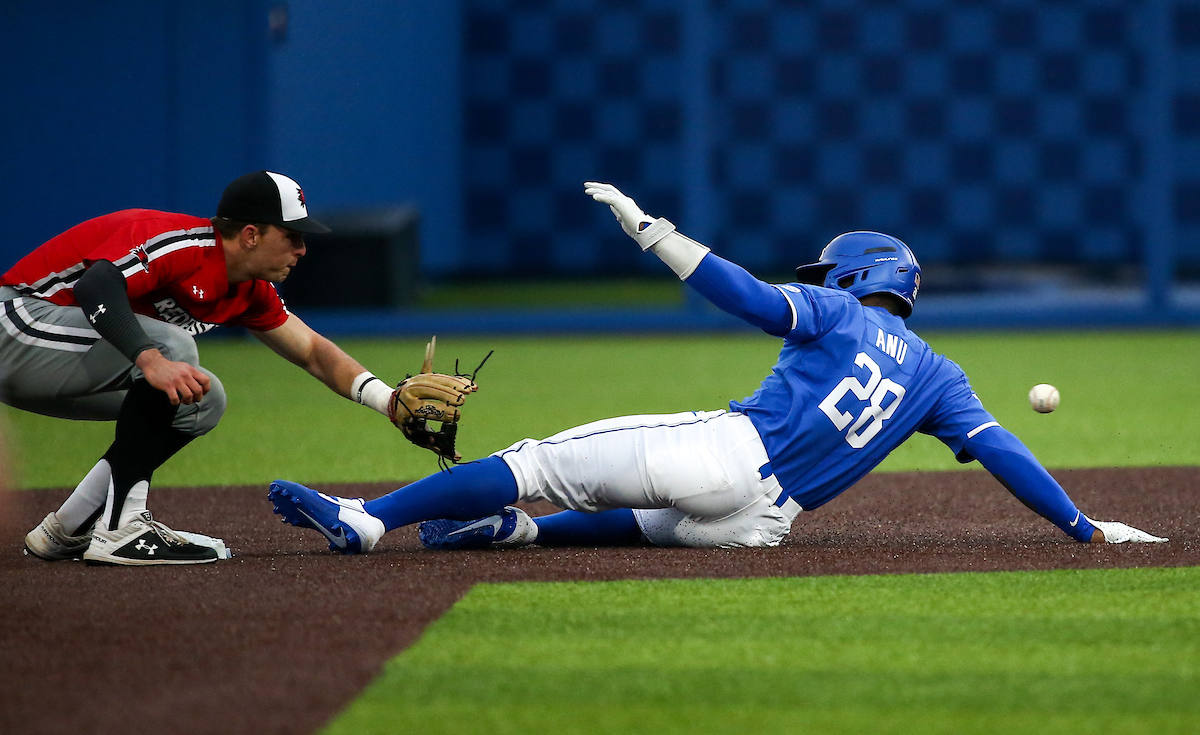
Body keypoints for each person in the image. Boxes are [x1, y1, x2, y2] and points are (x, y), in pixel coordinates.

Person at [267, 181, 1167, 554]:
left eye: (831, 273)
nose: (822, 281)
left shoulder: (839, 311)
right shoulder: (942, 376)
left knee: (537, 461)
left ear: (858, 278)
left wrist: (656, 234)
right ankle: (515, 534)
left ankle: (367, 520)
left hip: (731, 456)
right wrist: (1083, 526)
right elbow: (1005, 452)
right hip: (761, 525)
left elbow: (749, 297)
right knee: (646, 522)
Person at [3, 171, 424, 566]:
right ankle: (121, 528)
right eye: (291, 235)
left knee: (202, 401)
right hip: (16, 323)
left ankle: (67, 527)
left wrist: (388, 401)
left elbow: (313, 351)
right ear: (251, 234)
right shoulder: (181, 243)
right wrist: (150, 359)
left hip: (52, 361)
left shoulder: (249, 290)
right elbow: (95, 285)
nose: (302, 249)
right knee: (172, 348)